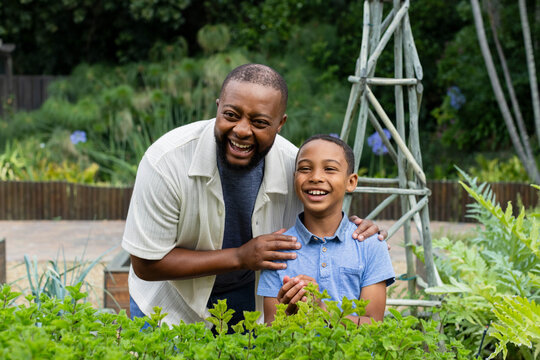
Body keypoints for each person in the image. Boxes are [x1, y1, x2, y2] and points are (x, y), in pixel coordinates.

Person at [121, 63, 387, 327]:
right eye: (231, 115)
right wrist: (240, 257)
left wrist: (359, 231)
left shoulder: (296, 168)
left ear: (280, 123)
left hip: (249, 303)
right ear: (217, 107)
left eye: (259, 122)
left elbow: (323, 209)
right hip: (169, 305)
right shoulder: (166, 162)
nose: (242, 130)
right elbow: (146, 265)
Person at [257, 134, 395, 325]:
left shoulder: (370, 245)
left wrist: (321, 311)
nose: (315, 177)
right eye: (305, 169)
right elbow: (272, 329)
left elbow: (373, 325)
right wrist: (290, 312)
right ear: (294, 177)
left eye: (330, 169)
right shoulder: (279, 251)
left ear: (351, 182)